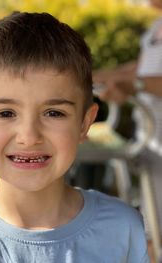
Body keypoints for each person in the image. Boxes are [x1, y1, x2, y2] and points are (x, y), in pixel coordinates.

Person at [0, 12, 149, 262]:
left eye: (53, 113)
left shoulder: (122, 230)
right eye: (5, 113)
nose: (29, 136)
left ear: (84, 123)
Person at [94, 0, 162, 261]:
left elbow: (138, 78)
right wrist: (89, 75)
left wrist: (133, 85)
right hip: (150, 136)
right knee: (152, 224)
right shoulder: (156, 26)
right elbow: (138, 69)